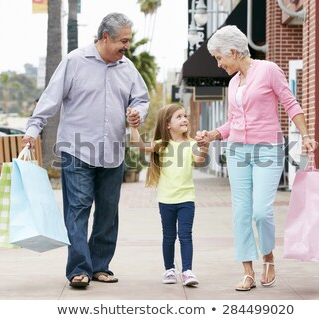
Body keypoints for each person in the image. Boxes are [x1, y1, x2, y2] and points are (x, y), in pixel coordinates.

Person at [22, 13, 149, 288]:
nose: (127, 46)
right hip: (77, 150)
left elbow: (141, 98)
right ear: (105, 37)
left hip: (112, 152)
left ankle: (100, 265)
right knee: (78, 209)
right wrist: (33, 129)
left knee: (107, 211)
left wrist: (137, 112)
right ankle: (79, 268)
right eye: (123, 41)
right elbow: (51, 98)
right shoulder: (75, 61)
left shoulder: (127, 68)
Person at [196, 25, 318, 291]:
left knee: (261, 211)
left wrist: (306, 135)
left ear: (232, 51)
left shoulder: (269, 70)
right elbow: (232, 123)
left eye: (219, 58)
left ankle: (268, 257)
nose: (218, 64)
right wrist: (213, 134)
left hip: (267, 149)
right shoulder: (232, 83)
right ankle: (248, 271)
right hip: (238, 151)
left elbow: (290, 103)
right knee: (241, 212)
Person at [128, 104, 208, 286]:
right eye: (178, 117)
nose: (184, 119)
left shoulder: (191, 144)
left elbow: (200, 160)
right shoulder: (161, 145)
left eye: (185, 115)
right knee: (169, 236)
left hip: (186, 199)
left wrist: (204, 146)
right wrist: (133, 127)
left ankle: (187, 271)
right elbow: (138, 146)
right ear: (167, 125)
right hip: (166, 200)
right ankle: (169, 270)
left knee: (185, 235)